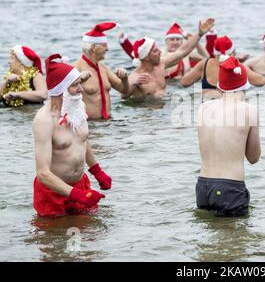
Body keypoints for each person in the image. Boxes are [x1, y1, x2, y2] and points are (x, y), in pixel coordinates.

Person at [33, 54, 112, 217]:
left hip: (80, 184)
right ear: (61, 89)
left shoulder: (77, 108)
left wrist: (97, 171)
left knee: (91, 235)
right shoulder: (44, 120)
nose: (81, 89)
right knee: (53, 237)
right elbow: (42, 173)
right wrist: (76, 195)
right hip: (52, 192)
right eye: (75, 85)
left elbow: (82, 139)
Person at [196, 53, 260, 216]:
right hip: (230, 187)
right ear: (245, 85)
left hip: (203, 187)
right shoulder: (249, 110)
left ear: (220, 86)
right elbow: (253, 158)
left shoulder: (203, 108)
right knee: (236, 240)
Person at [120, 18, 215, 100]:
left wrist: (199, 34)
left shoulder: (161, 64)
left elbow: (183, 51)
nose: (160, 52)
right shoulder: (135, 77)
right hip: (148, 114)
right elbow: (123, 96)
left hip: (166, 108)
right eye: (155, 51)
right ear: (146, 57)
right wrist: (134, 84)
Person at [72, 22, 130, 120]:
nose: (107, 49)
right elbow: (61, 95)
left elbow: (124, 90)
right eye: (104, 45)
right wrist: (76, 82)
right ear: (93, 47)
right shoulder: (76, 69)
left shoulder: (104, 69)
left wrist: (124, 79)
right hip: (89, 125)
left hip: (108, 124)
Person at [180, 35, 265, 101]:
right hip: (231, 112)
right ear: (233, 52)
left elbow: (184, 82)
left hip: (209, 111)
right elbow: (261, 82)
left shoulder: (204, 64)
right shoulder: (238, 67)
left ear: (214, 53)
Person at [118, 22, 210, 79]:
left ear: (182, 41)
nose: (175, 42)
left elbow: (207, 59)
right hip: (170, 86)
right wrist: (125, 43)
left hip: (183, 87)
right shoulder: (160, 56)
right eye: (172, 39)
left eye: (178, 39)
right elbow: (141, 58)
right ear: (166, 41)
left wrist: (196, 41)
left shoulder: (186, 55)